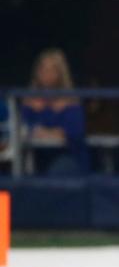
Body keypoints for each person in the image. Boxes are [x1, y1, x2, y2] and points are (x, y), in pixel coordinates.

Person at [21, 48, 88, 176]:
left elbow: (73, 133)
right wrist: (36, 131)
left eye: (51, 69)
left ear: (60, 73)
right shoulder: (29, 102)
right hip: (34, 158)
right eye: (42, 69)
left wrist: (47, 132)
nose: (46, 73)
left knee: (60, 169)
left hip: (67, 158)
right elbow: (23, 129)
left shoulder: (71, 103)